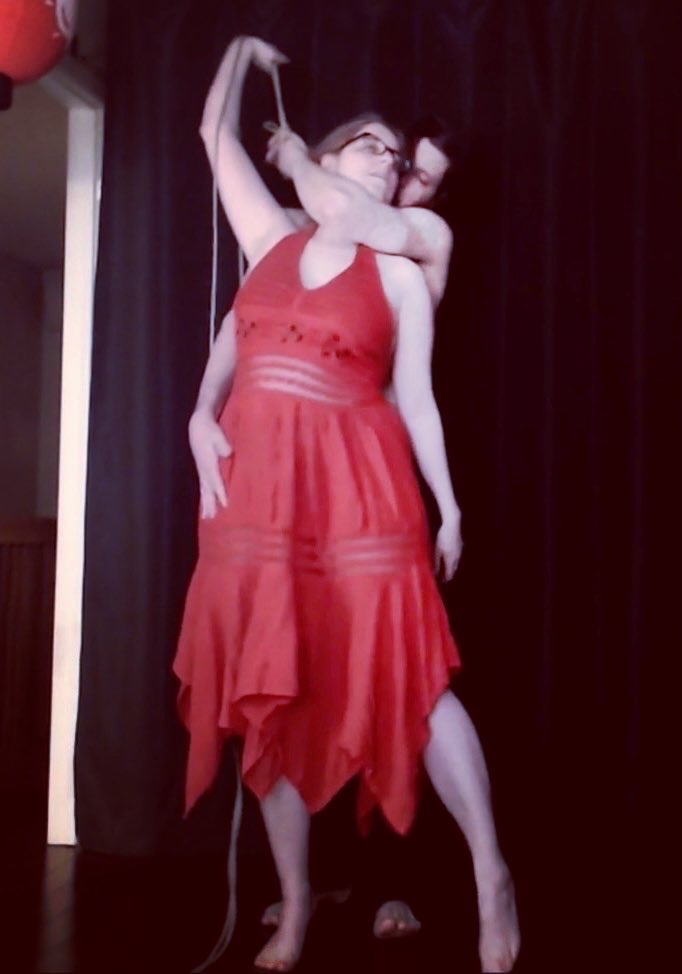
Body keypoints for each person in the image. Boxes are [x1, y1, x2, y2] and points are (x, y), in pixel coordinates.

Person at [177, 36, 519, 973]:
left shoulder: (408, 258)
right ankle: (293, 908)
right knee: (268, 692)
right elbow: (213, 136)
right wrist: (239, 53)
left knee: (414, 677)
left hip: (360, 485)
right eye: (370, 145)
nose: (388, 162)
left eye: (396, 157)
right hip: (262, 495)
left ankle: (490, 873)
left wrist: (450, 506)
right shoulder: (270, 242)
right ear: (332, 152)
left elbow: (418, 399)